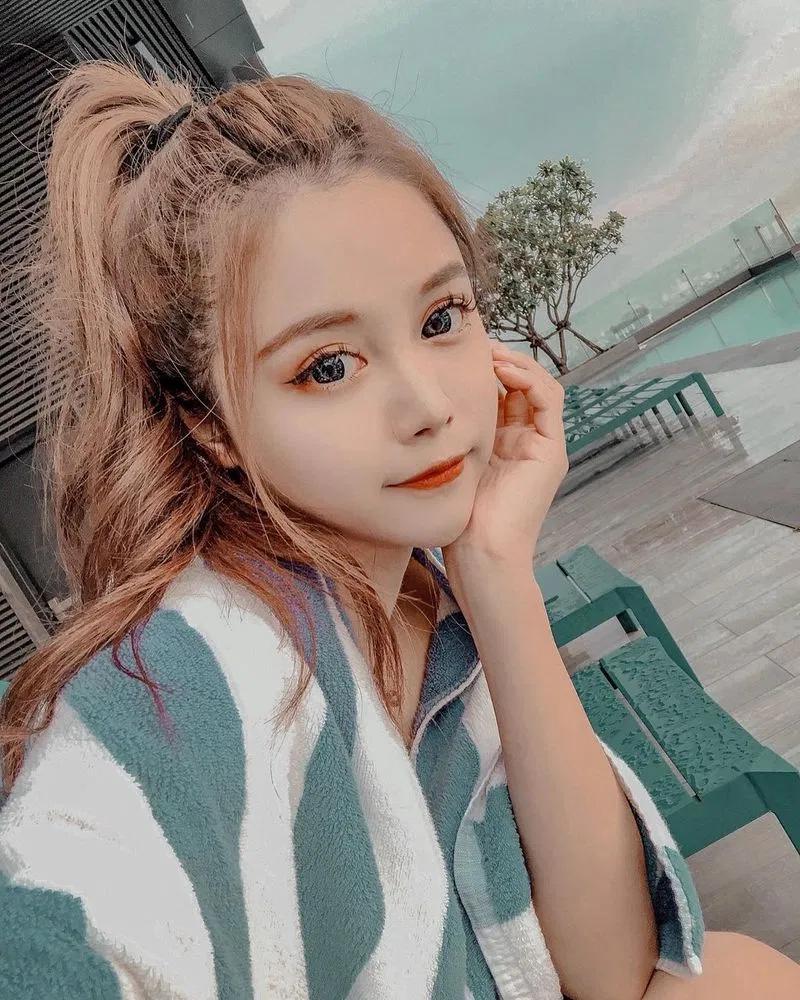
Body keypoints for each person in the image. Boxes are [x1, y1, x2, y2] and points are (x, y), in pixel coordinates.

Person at [0, 54, 798, 1000]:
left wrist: (495, 572)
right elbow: (75, 903)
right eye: (328, 367)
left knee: (740, 974)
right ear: (211, 427)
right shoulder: (198, 672)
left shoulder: (420, 590)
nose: (427, 405)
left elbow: (611, 967)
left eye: (440, 317)